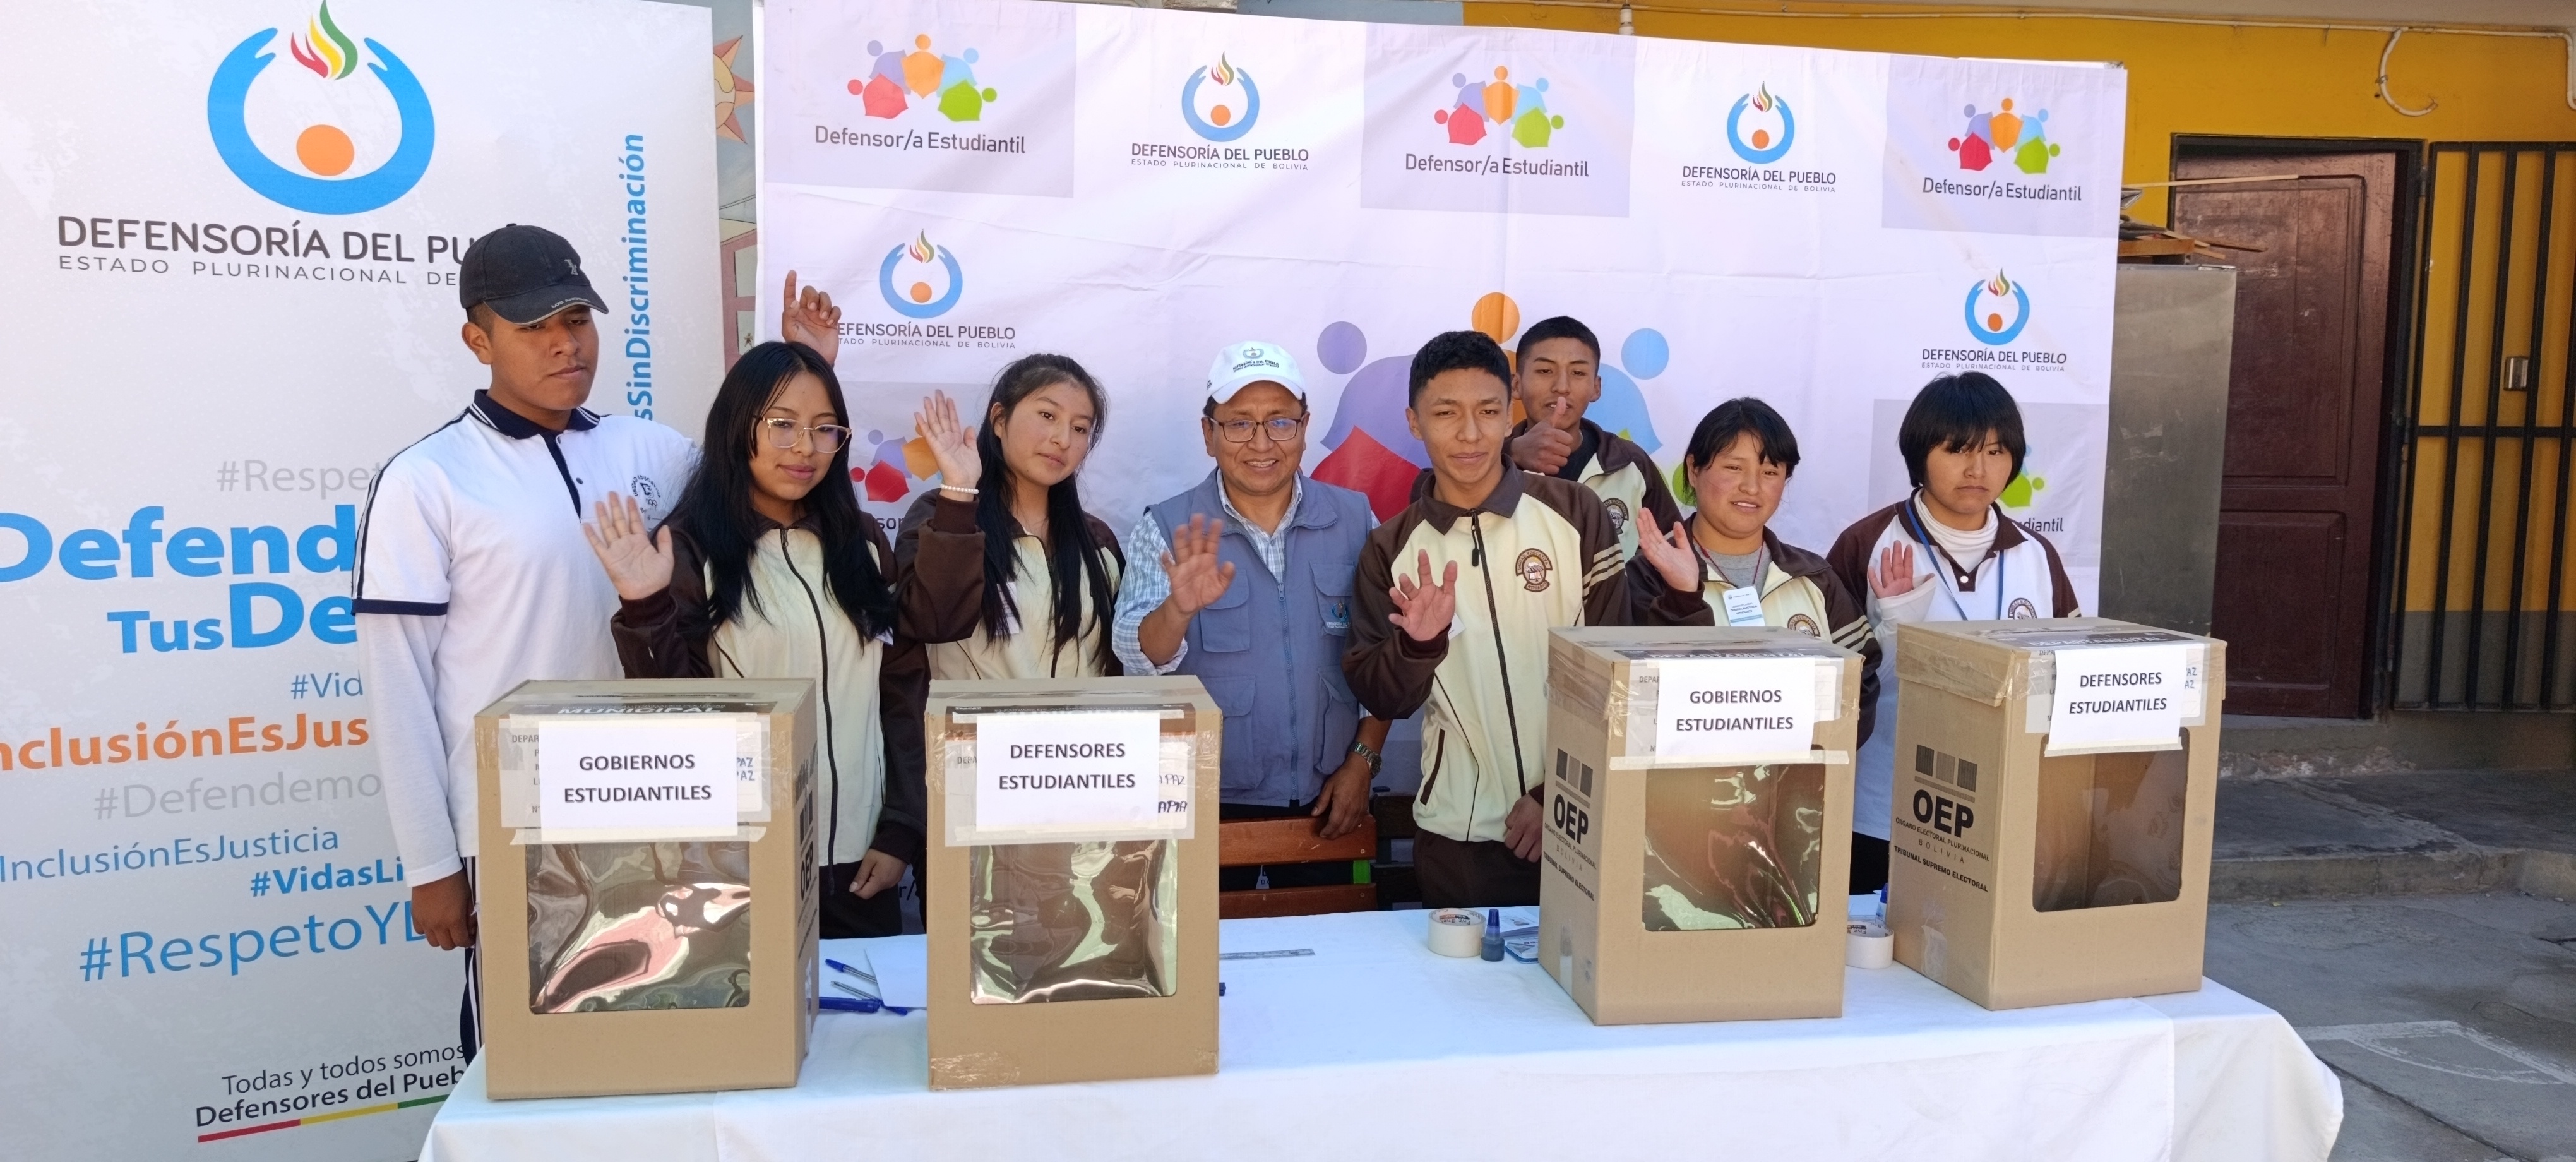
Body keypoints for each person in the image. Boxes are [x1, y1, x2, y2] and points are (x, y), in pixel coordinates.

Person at [352, 225, 717, 1057]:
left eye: (578, 321)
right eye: (533, 329)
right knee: (527, 1071)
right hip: (514, 835)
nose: (565, 345)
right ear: (477, 339)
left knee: (655, 1055)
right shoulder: (428, 479)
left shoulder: (652, 449)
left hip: (660, 817)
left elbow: (760, 479)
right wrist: (432, 865)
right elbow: (397, 684)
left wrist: (805, 368)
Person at [1344, 330, 1710, 908]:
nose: (1470, 434)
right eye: (1446, 414)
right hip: (1458, 838)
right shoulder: (1391, 547)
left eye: (1488, 412)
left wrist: (1555, 791)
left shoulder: (1573, 512)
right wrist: (1417, 646)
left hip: (1579, 817)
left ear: (1508, 412)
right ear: (1414, 423)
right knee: (1469, 995)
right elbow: (1381, 695)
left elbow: (1615, 673)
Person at [581, 338, 927, 938]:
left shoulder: (863, 543)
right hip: (742, 864)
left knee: (867, 1031)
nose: (805, 448)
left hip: (862, 861)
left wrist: (901, 826)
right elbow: (675, 714)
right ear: (739, 428)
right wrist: (645, 607)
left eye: (825, 429)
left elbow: (900, 694)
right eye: (782, 425)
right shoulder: (689, 549)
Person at [1111, 341, 1388, 890]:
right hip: (1204, 804)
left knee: (1328, 960)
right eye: (1238, 424)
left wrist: (1363, 760)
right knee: (1207, 968)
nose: (1261, 443)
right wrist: (1178, 609)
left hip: (1330, 794)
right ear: (1208, 433)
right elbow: (1136, 656)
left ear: (1305, 428)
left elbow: (1388, 659)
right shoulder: (1168, 527)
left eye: (1280, 422)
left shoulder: (1356, 519)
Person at [1827, 371, 2079, 895]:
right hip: (1882, 803)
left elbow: (2065, 676)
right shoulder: (1866, 543)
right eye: (1958, 449)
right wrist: (1893, 631)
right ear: (1920, 454)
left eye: (1995, 452)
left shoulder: (2036, 555)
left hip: (1996, 802)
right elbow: (1831, 688)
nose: (1977, 469)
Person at [897, 355, 1124, 680]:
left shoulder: (1097, 540)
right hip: (975, 731)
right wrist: (960, 494)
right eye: (1048, 415)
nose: (1063, 439)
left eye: (1080, 428)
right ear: (1000, 420)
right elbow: (932, 622)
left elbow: (1115, 663)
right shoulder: (943, 514)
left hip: (1084, 730)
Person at [1675, 395, 1879, 702]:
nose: (1752, 487)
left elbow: (1861, 682)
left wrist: (1813, 743)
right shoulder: (1649, 574)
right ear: (1693, 469)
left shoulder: (1816, 577)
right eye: (1733, 467)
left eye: (1770, 472)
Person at [1503, 315, 1681, 560]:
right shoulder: (1490, 462)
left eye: (1577, 372)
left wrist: (1626, 595)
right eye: (1545, 371)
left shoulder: (1629, 463)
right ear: (1516, 385)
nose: (1562, 387)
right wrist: (1510, 453)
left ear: (1596, 388)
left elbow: (1672, 554)